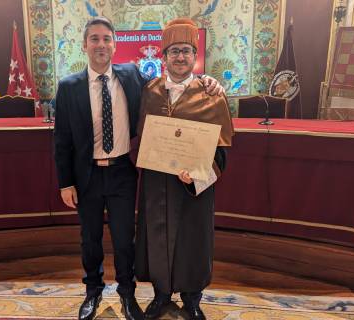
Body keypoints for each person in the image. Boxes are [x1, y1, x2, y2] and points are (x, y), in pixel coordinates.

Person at [54, 16, 224, 320]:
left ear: (115, 45)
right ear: (85, 44)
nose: (101, 44)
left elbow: (218, 144)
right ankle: (95, 292)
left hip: (128, 173)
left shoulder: (136, 78)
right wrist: (66, 182)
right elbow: (61, 139)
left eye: (106, 39)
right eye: (94, 39)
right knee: (91, 239)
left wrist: (209, 79)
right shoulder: (75, 87)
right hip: (95, 176)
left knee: (127, 239)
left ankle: (141, 296)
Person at [134, 18, 234, 320]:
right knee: (156, 236)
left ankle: (192, 298)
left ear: (195, 55)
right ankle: (161, 294)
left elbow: (222, 151)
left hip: (194, 186)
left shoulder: (212, 95)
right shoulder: (150, 91)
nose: (180, 57)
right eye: (174, 51)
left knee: (194, 239)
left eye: (187, 51)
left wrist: (198, 178)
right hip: (157, 183)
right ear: (164, 56)